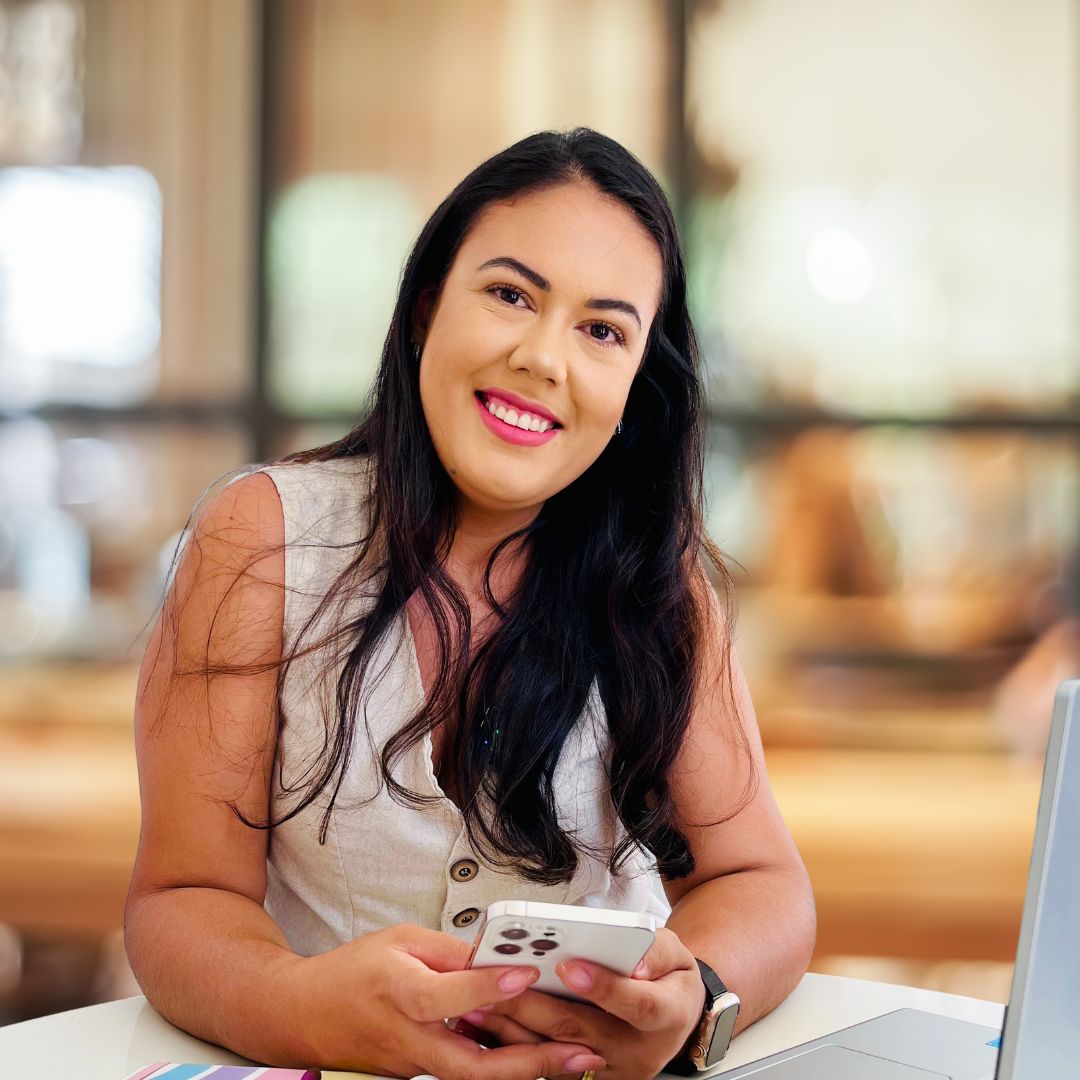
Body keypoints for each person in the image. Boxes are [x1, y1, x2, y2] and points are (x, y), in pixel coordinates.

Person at [124, 129, 815, 1080]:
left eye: (603, 330)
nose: (543, 358)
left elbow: (763, 882)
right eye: (510, 295)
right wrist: (300, 1007)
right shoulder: (262, 538)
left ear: (635, 389)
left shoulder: (663, 586)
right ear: (423, 312)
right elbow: (181, 896)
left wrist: (695, 996)